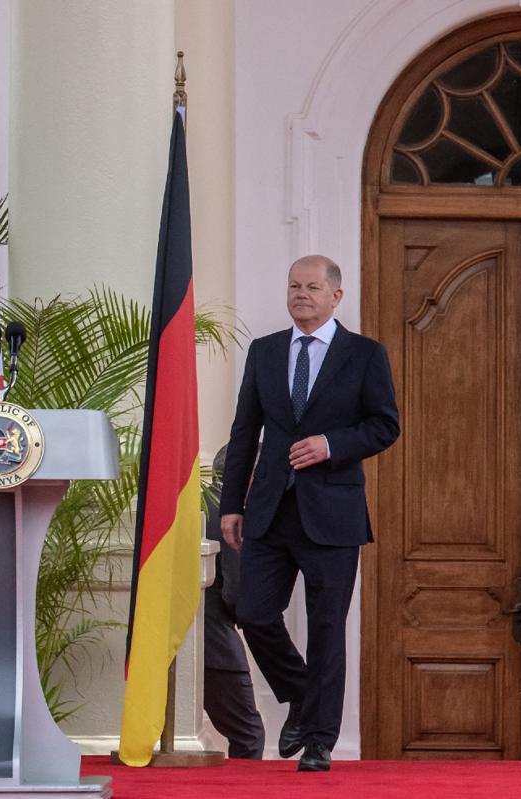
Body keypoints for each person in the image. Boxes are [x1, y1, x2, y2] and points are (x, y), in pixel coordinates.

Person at [219, 255, 400, 773]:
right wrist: (232, 505)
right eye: (294, 286)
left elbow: (385, 426)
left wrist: (330, 444)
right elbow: (243, 433)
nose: (302, 294)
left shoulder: (365, 355)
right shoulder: (266, 351)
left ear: (335, 296)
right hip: (269, 512)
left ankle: (320, 741)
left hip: (333, 514)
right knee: (252, 613)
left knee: (326, 627)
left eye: (313, 287)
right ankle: (302, 693)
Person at [203, 445, 266, 759]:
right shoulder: (233, 519)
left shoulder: (198, 505)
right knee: (249, 735)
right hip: (215, 647)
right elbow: (234, 592)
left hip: (181, 643)